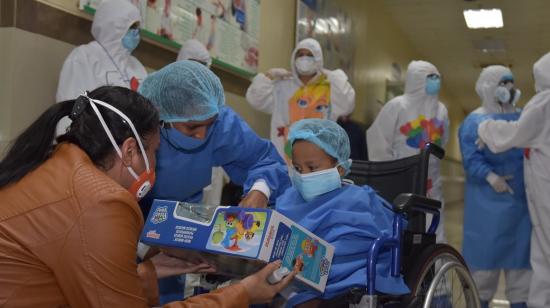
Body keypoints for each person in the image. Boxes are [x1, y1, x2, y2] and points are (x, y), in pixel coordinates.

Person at [0, 86, 296, 307]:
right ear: (129, 151)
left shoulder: (56, 165)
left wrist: (150, 271)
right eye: (154, 152)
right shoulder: (102, 202)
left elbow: (92, 284)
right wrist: (242, 293)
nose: (157, 165)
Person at [138, 60, 291, 302]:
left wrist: (260, 190)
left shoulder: (217, 123)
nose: (202, 136)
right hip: (130, 224)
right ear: (160, 118)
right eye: (192, 128)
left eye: (208, 127)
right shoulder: (135, 129)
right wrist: (145, 247)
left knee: (169, 293)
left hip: (181, 226)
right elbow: (109, 204)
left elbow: (263, 159)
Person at [276, 119, 409, 306]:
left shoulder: (360, 199)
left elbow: (384, 234)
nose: (304, 175)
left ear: (339, 169)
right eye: (298, 168)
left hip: (345, 278)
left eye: (312, 167)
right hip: (290, 277)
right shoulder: (290, 197)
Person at [477, 52, 550, 308]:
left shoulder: (544, 103)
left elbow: (515, 135)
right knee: (542, 256)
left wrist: (484, 128)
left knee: (545, 254)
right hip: (534, 196)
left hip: (545, 193)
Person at [458, 66, 531, 308]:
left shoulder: (523, 118)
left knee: (521, 268)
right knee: (484, 269)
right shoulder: (474, 121)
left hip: (521, 205)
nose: (509, 89)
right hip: (486, 206)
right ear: (489, 87)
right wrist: (490, 177)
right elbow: (470, 158)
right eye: (503, 83)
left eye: (511, 83)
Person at [366, 60, 449, 243]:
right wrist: (389, 176)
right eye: (431, 77)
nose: (436, 81)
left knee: (434, 232)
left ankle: (431, 269)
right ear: (417, 79)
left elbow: (442, 142)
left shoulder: (441, 110)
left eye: (437, 77)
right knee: (401, 231)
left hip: (431, 184)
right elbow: (378, 141)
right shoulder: (396, 106)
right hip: (400, 180)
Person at [246, 38, 355, 161]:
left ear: (318, 59)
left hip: (319, 162)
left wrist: (333, 76)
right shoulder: (283, 86)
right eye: (300, 54)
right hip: (283, 160)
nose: (304, 58)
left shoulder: (329, 88)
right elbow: (255, 99)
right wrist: (269, 76)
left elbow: (348, 104)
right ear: (294, 57)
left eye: (310, 55)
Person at [55, 0, 147, 137]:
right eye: (131, 27)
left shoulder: (136, 66)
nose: (136, 33)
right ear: (113, 26)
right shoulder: (84, 57)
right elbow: (70, 107)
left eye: (138, 27)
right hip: (93, 143)